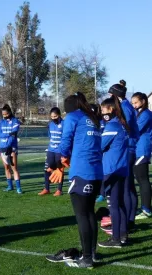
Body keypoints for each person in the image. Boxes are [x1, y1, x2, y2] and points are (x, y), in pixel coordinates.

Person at [46, 92, 102, 268]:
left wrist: (60, 162)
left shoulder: (73, 117)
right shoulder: (93, 118)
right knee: (90, 213)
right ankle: (92, 253)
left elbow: (65, 142)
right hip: (97, 172)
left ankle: (86, 259)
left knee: (82, 215)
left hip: (82, 172)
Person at [97, 97, 129, 248]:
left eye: (103, 109)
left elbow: (100, 146)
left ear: (110, 109)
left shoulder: (112, 126)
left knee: (114, 205)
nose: (101, 112)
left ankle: (116, 238)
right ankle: (123, 235)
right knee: (120, 204)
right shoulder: (121, 125)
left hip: (112, 169)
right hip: (121, 168)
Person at [108, 83, 140, 231]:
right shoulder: (127, 106)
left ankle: (126, 223)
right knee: (129, 187)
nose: (108, 96)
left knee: (126, 189)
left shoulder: (125, 108)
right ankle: (129, 220)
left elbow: (125, 129)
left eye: (110, 94)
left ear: (115, 95)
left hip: (127, 149)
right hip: (130, 147)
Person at [131, 92, 152, 219]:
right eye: (132, 103)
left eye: (136, 102)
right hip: (138, 150)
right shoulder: (139, 113)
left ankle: (146, 209)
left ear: (143, 101)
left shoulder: (146, 114)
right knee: (140, 179)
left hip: (142, 150)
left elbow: (136, 130)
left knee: (143, 180)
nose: (134, 105)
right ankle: (144, 207)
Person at [39, 107, 64, 196]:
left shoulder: (64, 124)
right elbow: (50, 136)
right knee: (47, 168)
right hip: (51, 149)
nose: (53, 118)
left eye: (55, 116)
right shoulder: (50, 124)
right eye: (52, 116)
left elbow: (66, 138)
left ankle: (59, 190)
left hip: (59, 150)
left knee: (59, 169)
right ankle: (46, 188)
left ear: (59, 115)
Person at [0, 104, 22, 194]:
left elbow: (14, 134)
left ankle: (18, 188)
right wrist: (8, 134)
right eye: (3, 114)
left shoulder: (15, 121)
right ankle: (10, 186)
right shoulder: (1, 122)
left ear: (10, 113)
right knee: (6, 167)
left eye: (6, 114)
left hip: (11, 147)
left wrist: (8, 144)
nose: (4, 116)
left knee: (14, 168)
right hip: (2, 147)